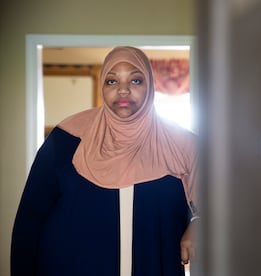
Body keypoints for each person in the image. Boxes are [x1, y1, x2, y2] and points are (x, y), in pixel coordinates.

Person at [11, 46, 199, 276]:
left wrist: (199, 223)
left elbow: (221, 204)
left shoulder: (183, 145)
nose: (123, 90)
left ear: (150, 85)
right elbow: (29, 221)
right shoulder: (66, 140)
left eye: (136, 80)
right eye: (112, 81)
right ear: (102, 86)